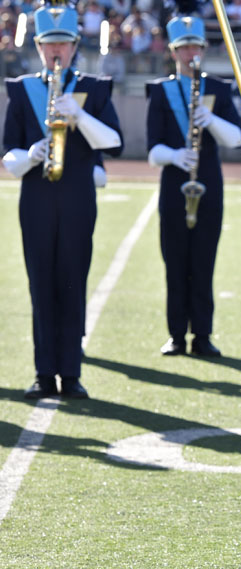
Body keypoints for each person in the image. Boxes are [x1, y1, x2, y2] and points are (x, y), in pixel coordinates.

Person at [2, 0, 123, 399]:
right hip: (35, 200)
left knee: (72, 282)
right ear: (37, 46)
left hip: (76, 200)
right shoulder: (22, 90)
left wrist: (81, 117)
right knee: (40, 283)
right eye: (49, 43)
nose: (56, 51)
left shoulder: (93, 87)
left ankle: (70, 373)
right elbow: (8, 155)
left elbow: (115, 143)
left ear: (75, 45)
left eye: (64, 43)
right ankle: (43, 373)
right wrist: (31, 154)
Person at [146, 0, 241, 357]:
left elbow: (236, 138)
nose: (190, 53)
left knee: (204, 261)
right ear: (172, 51)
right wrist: (173, 155)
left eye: (195, 47)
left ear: (203, 49)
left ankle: (202, 335)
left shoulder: (217, 88)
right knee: (174, 261)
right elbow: (152, 148)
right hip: (174, 184)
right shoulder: (160, 90)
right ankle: (176, 335)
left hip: (209, 184)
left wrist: (210, 119)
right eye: (183, 47)